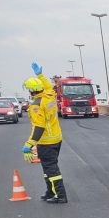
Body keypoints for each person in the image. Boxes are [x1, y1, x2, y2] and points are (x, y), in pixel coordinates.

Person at [22, 62, 67, 203]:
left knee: (51, 169)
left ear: (31, 91)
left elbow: (39, 128)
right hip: (57, 138)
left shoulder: (36, 106)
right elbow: (48, 86)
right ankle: (50, 192)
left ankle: (60, 195)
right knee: (48, 167)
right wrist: (40, 75)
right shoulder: (49, 95)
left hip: (46, 141)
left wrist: (28, 144)